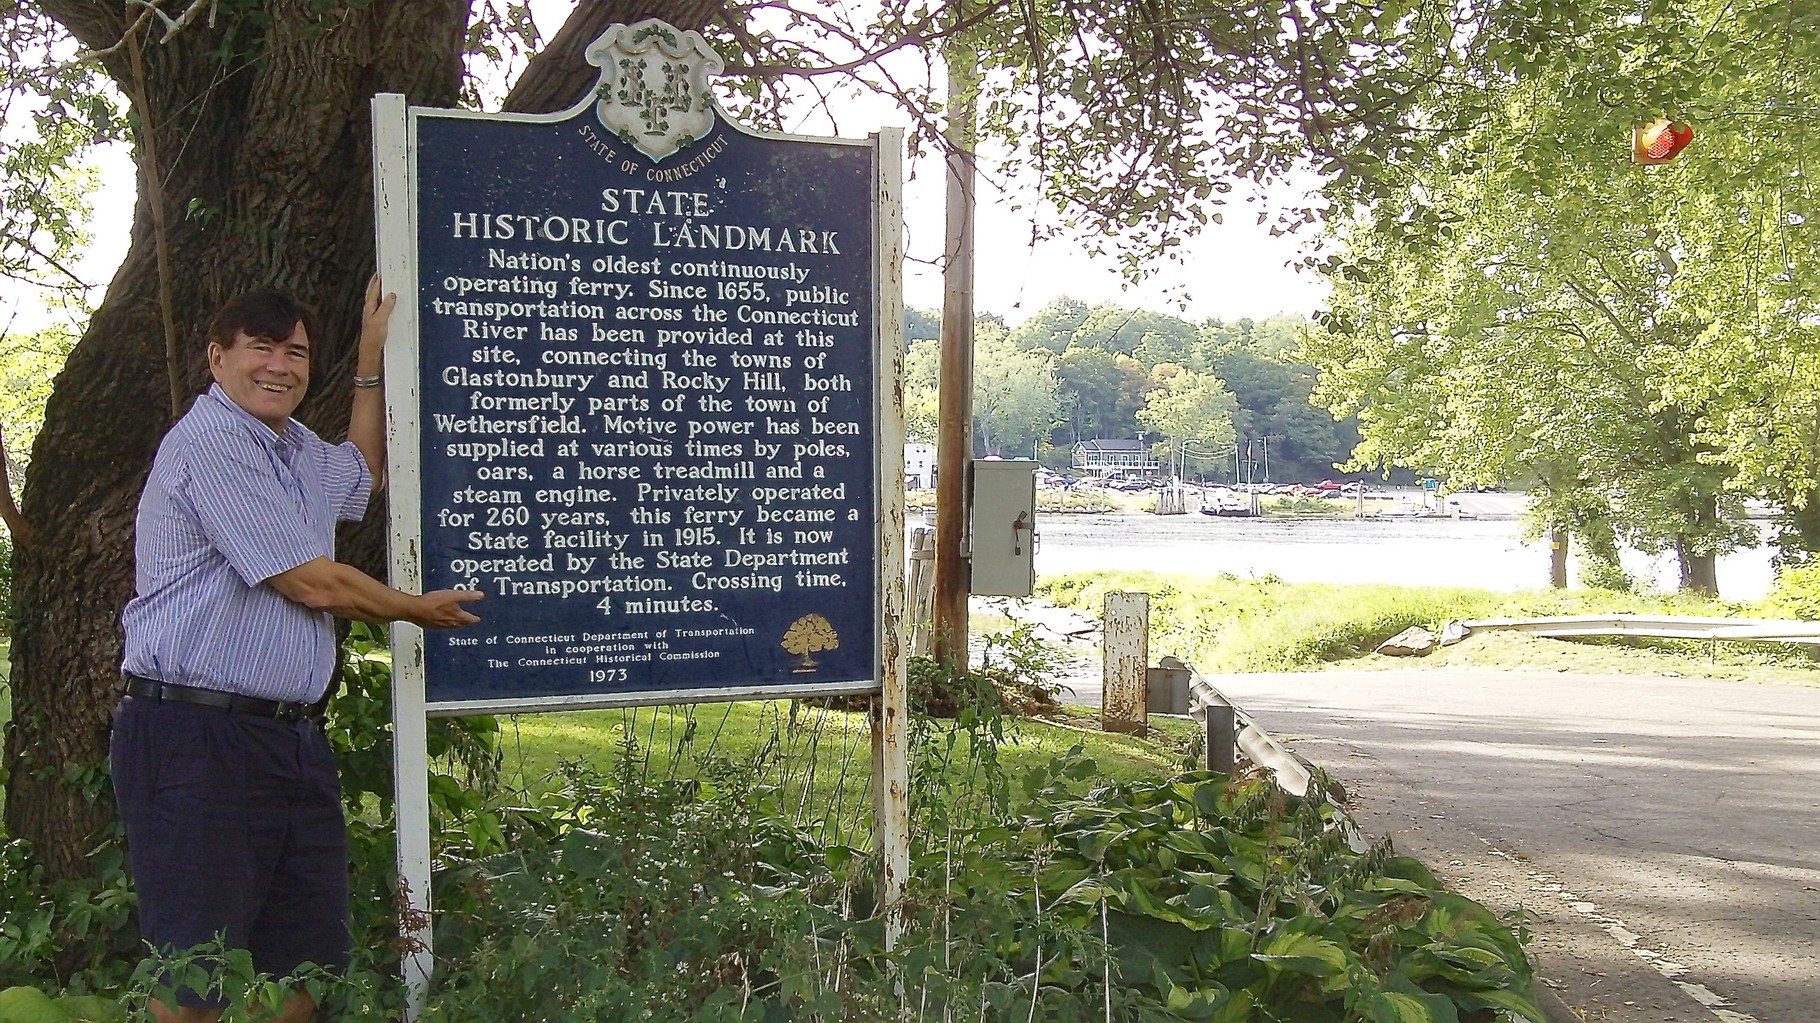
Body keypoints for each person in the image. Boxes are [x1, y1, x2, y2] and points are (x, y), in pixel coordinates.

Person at [113, 276, 481, 1022]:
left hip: (288, 739)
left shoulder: (292, 446)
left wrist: (369, 362)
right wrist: (411, 609)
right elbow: (311, 584)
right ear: (218, 358)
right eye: (261, 348)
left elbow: (360, 475)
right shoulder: (211, 443)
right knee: (194, 973)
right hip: (196, 737)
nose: (280, 365)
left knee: (309, 961)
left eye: (296, 352)